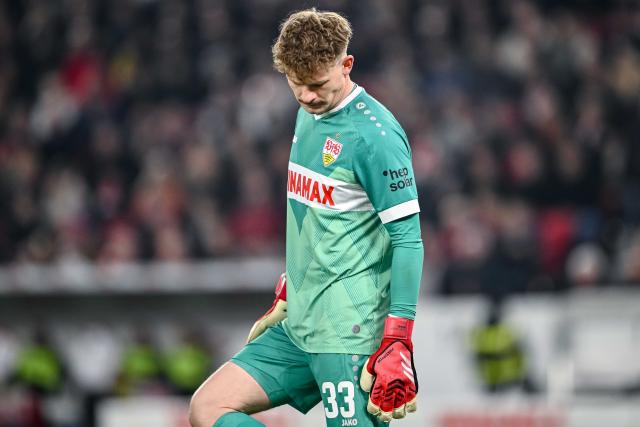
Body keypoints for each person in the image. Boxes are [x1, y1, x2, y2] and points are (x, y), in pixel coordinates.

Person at [189, 8, 424, 427]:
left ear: (346, 64)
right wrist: (289, 287)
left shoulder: (375, 136)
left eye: (317, 85)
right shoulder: (309, 111)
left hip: (349, 333)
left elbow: (408, 239)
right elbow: (317, 216)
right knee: (208, 408)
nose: (309, 96)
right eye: (297, 86)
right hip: (301, 322)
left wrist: (398, 339)